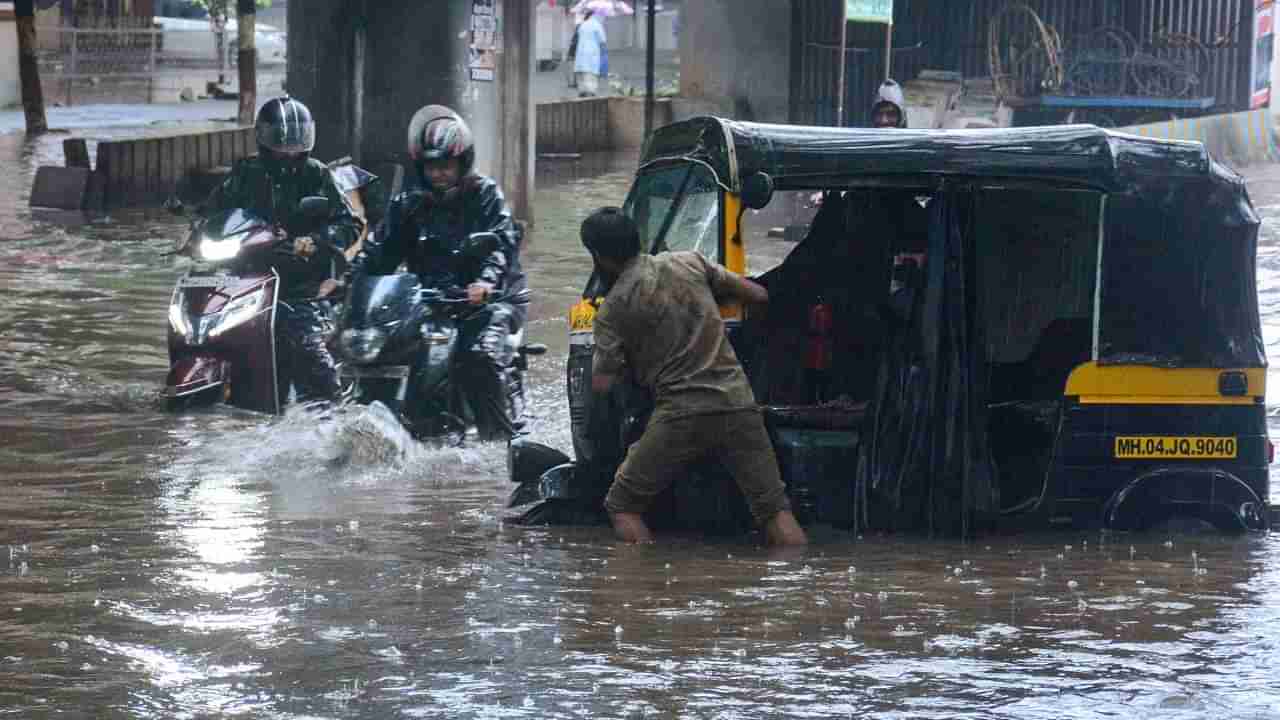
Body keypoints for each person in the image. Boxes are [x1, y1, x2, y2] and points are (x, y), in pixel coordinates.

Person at [582, 207, 808, 546]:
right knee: (773, 508)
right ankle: (800, 579)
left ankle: (640, 589)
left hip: (680, 415)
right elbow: (759, 295)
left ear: (600, 257)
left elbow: (602, 382)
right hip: (738, 403)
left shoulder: (613, 310)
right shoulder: (689, 262)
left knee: (623, 504)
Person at [350, 105, 527, 440]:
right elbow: (380, 251)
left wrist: (485, 283)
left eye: (446, 165)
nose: (439, 174)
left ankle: (500, 443)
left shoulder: (484, 195)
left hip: (486, 301)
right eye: (432, 167)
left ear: (462, 162)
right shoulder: (409, 204)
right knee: (377, 344)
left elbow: (501, 244)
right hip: (427, 301)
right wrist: (347, 283)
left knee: (478, 356)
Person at [201, 95, 360, 404]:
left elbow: (349, 224)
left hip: (297, 283)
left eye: (296, 141)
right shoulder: (245, 172)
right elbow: (215, 212)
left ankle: (330, 413)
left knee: (308, 350)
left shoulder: (318, 174)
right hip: (243, 274)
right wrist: (198, 230)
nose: (289, 150)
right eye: (281, 141)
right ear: (263, 138)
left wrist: (317, 241)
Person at [573, 10, 607, 98]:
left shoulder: (582, 25)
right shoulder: (597, 25)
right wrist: (604, 56)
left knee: (582, 77)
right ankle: (590, 95)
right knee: (590, 76)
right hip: (592, 54)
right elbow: (602, 41)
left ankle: (582, 93)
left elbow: (577, 38)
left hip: (580, 55)